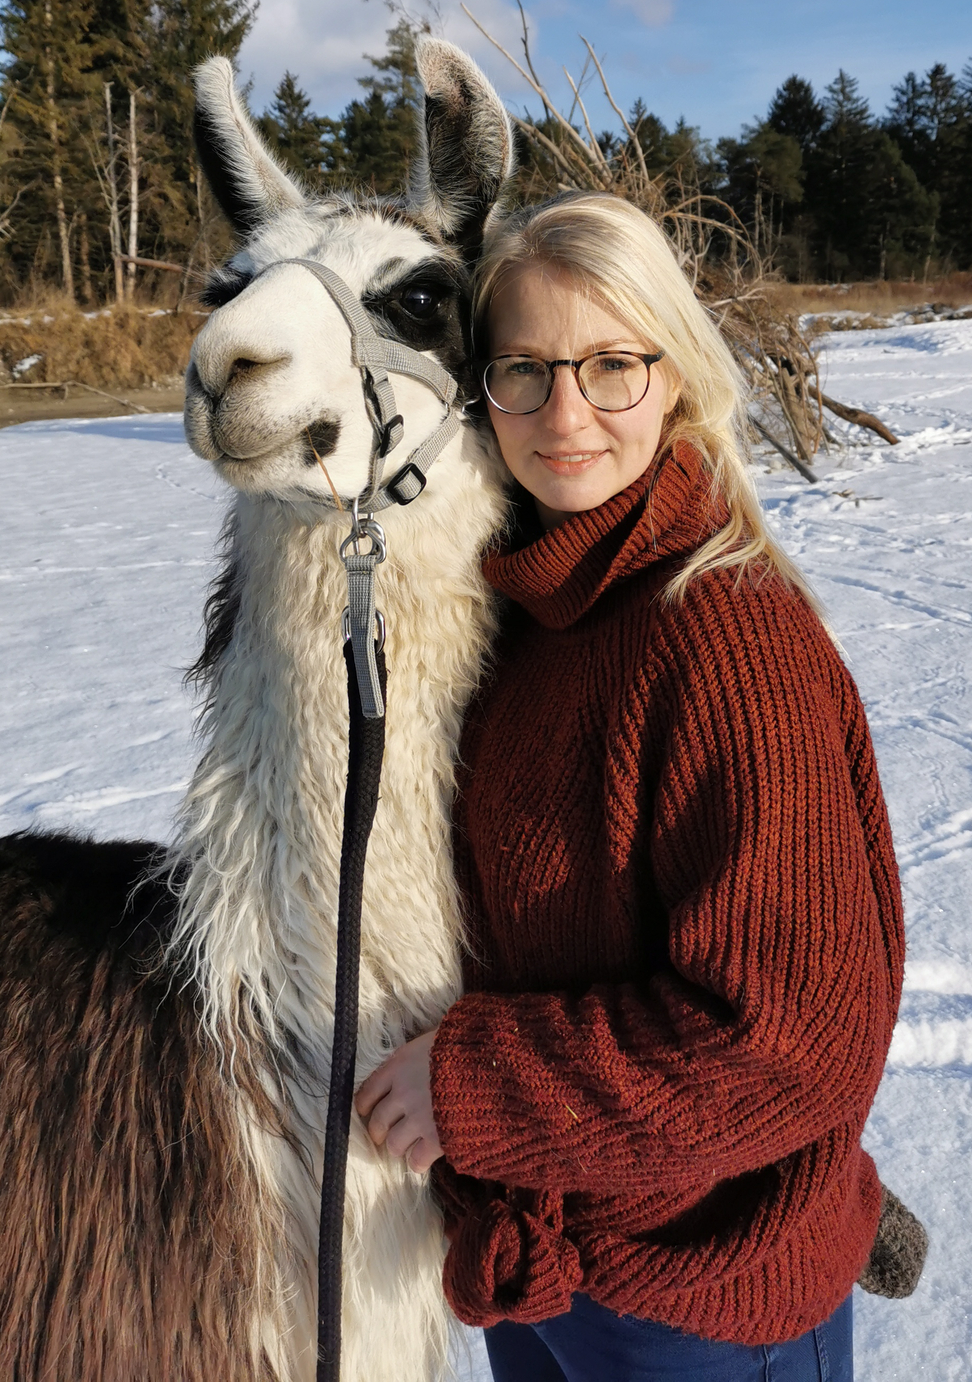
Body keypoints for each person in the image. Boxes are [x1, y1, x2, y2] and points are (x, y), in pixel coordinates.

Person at [355, 192, 905, 1381]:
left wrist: (473, 1085)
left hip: (702, 1297)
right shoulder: (532, 612)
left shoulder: (724, 642)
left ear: (677, 373)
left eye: (611, 365)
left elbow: (793, 1040)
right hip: (551, 1262)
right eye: (524, 370)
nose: (565, 416)